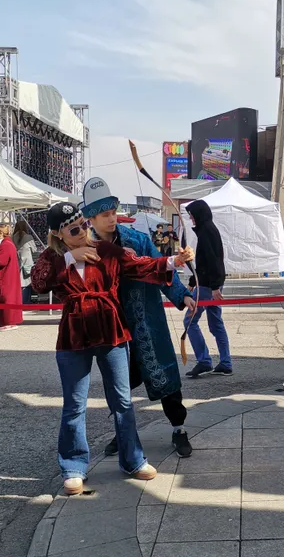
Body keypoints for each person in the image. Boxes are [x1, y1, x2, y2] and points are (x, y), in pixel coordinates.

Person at [31, 201, 194, 495]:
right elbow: (38, 282)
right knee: (74, 404)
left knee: (122, 400)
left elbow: (141, 265)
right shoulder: (52, 257)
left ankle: (133, 459)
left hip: (111, 330)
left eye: (83, 225)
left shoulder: (105, 250)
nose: (82, 232)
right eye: (73, 230)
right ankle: (73, 467)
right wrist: (68, 257)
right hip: (74, 335)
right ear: (57, 234)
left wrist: (174, 261)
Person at [80, 177, 197, 458]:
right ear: (91, 219)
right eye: (104, 215)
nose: (111, 219)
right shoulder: (84, 248)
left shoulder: (138, 240)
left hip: (147, 320)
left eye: (113, 213)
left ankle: (179, 428)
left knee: (165, 373)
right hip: (112, 327)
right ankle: (124, 433)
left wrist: (182, 295)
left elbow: (160, 268)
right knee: (118, 385)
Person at [183, 200, 232, 377]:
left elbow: (213, 260)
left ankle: (204, 361)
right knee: (216, 323)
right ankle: (225, 362)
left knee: (189, 321)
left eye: (192, 215)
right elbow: (204, 262)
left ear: (199, 214)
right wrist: (193, 281)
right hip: (209, 283)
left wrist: (214, 286)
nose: (191, 218)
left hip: (207, 286)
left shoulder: (206, 231)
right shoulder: (208, 229)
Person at [13, 221, 37, 304]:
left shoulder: (12, 237)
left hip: (16, 264)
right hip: (27, 264)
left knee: (18, 284)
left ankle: (19, 302)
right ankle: (26, 302)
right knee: (27, 284)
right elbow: (34, 250)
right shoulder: (28, 237)